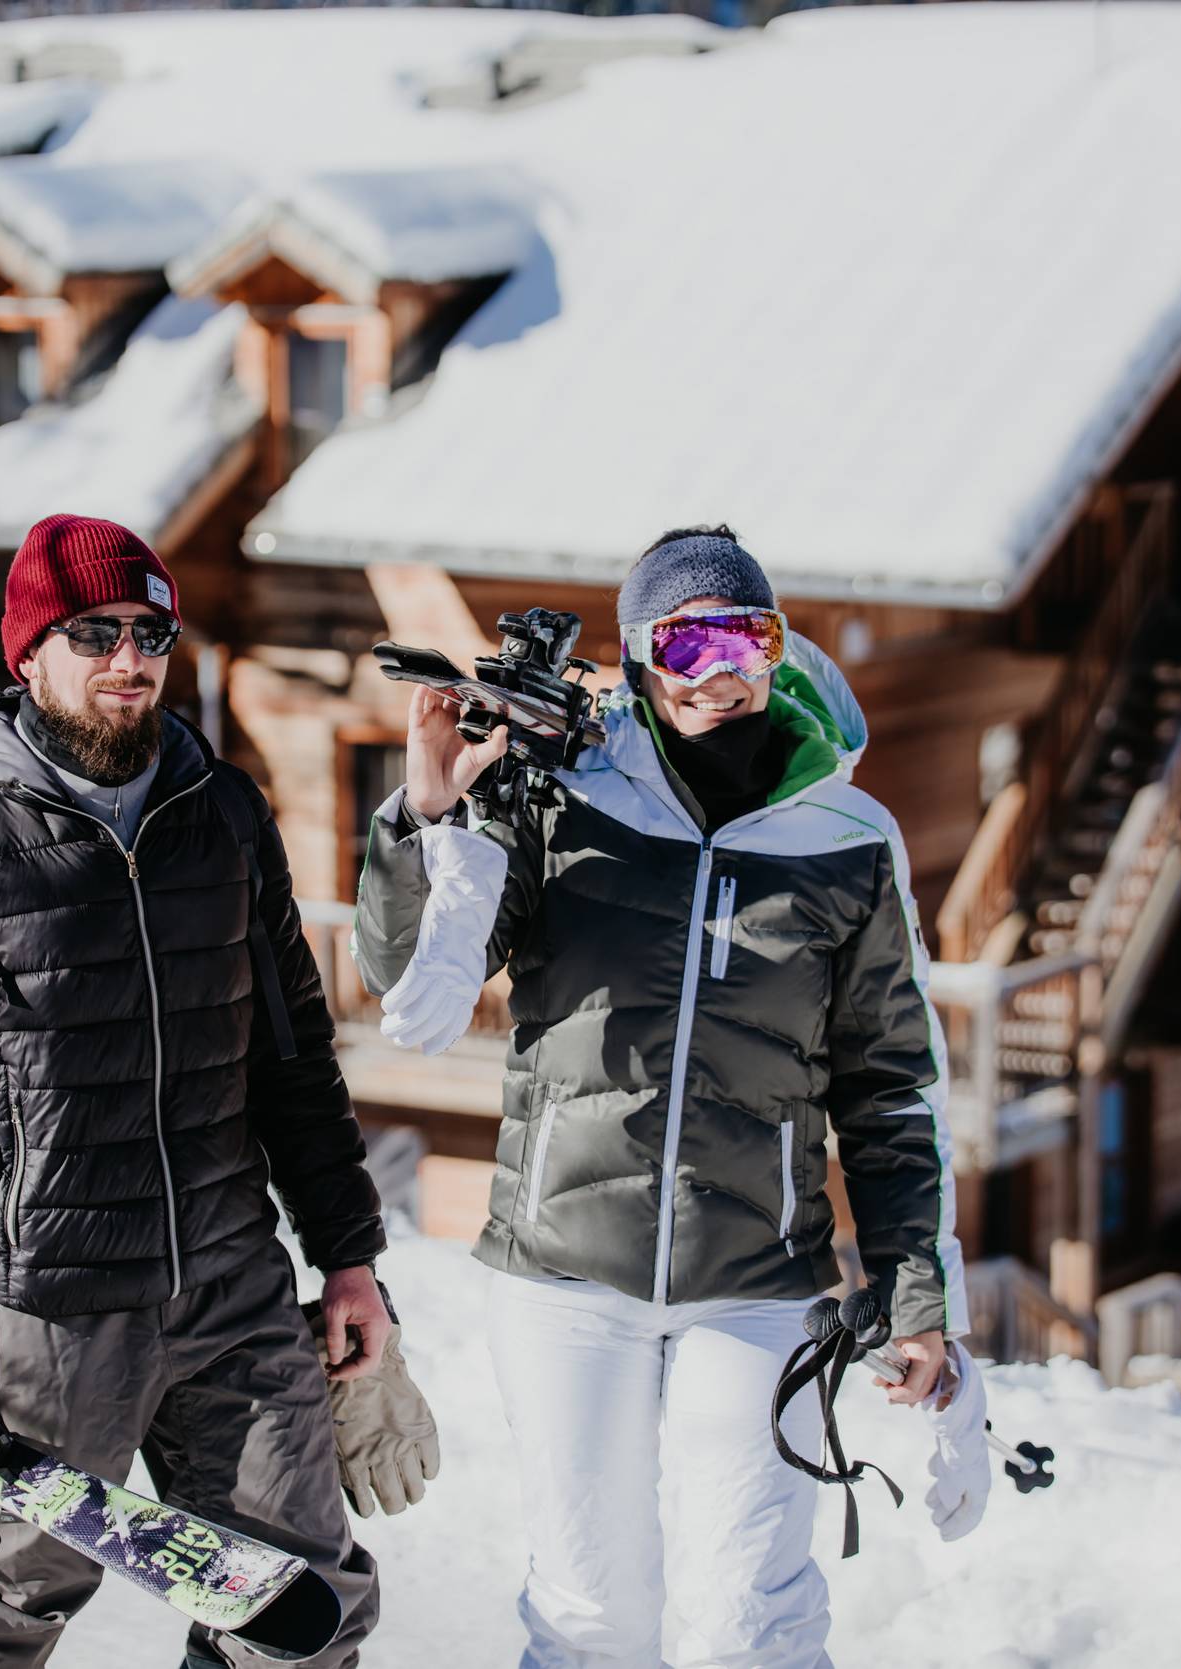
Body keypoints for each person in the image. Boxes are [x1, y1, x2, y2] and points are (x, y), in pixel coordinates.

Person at [353, 526, 990, 1669]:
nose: (720, 671)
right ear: (643, 658)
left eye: (747, 638)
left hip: (754, 1283)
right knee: (590, 1613)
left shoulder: (847, 839)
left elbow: (891, 1087)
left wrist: (915, 1294)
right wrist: (427, 815)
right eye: (686, 643)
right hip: (560, 1273)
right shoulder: (560, 796)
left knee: (752, 1616)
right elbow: (418, 991)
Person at [0, 513, 418, 1669]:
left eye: (150, 631)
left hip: (234, 1288)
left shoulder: (226, 819)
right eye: (94, 631)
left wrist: (348, 1258)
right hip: (46, 1314)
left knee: (301, 1612)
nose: (128, 657)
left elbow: (293, 1058)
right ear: (30, 652)